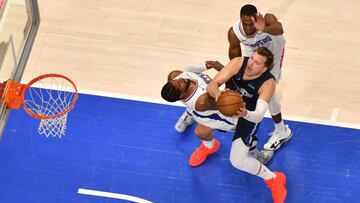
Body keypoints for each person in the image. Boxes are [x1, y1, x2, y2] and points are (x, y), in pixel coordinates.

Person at [179, 4, 292, 152]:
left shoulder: (268, 19)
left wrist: (263, 28)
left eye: (251, 23)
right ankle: (192, 111)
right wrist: (232, 83)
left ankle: (282, 132)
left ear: (256, 17)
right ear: (240, 19)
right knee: (227, 83)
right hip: (254, 55)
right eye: (245, 23)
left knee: (269, 95)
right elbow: (235, 59)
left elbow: (280, 29)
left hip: (273, 58)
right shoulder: (235, 32)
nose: (249, 27)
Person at [207, 46, 287, 203]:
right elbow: (213, 84)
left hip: (248, 117)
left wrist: (245, 113)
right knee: (202, 128)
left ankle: (274, 178)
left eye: (257, 63)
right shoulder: (238, 63)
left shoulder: (268, 84)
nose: (251, 64)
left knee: (237, 161)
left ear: (264, 68)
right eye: (251, 58)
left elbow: (258, 116)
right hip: (227, 110)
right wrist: (218, 96)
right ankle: (208, 146)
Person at [161, 69, 273, 167]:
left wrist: (205, 65)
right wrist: (226, 73)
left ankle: (254, 154)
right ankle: (210, 146)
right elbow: (225, 102)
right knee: (202, 133)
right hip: (221, 116)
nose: (180, 79)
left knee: (246, 135)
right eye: (178, 84)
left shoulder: (176, 76)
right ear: (180, 95)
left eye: (176, 81)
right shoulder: (201, 102)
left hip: (209, 111)